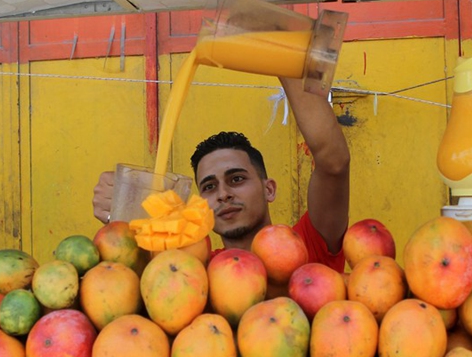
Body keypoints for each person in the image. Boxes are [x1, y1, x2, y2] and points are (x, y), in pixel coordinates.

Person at [92, 77, 350, 272]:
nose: (223, 194)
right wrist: (123, 219)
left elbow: (334, 163)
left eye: (236, 179)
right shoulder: (193, 270)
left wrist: (291, 66)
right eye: (209, 187)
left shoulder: (307, 245)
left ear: (269, 189)